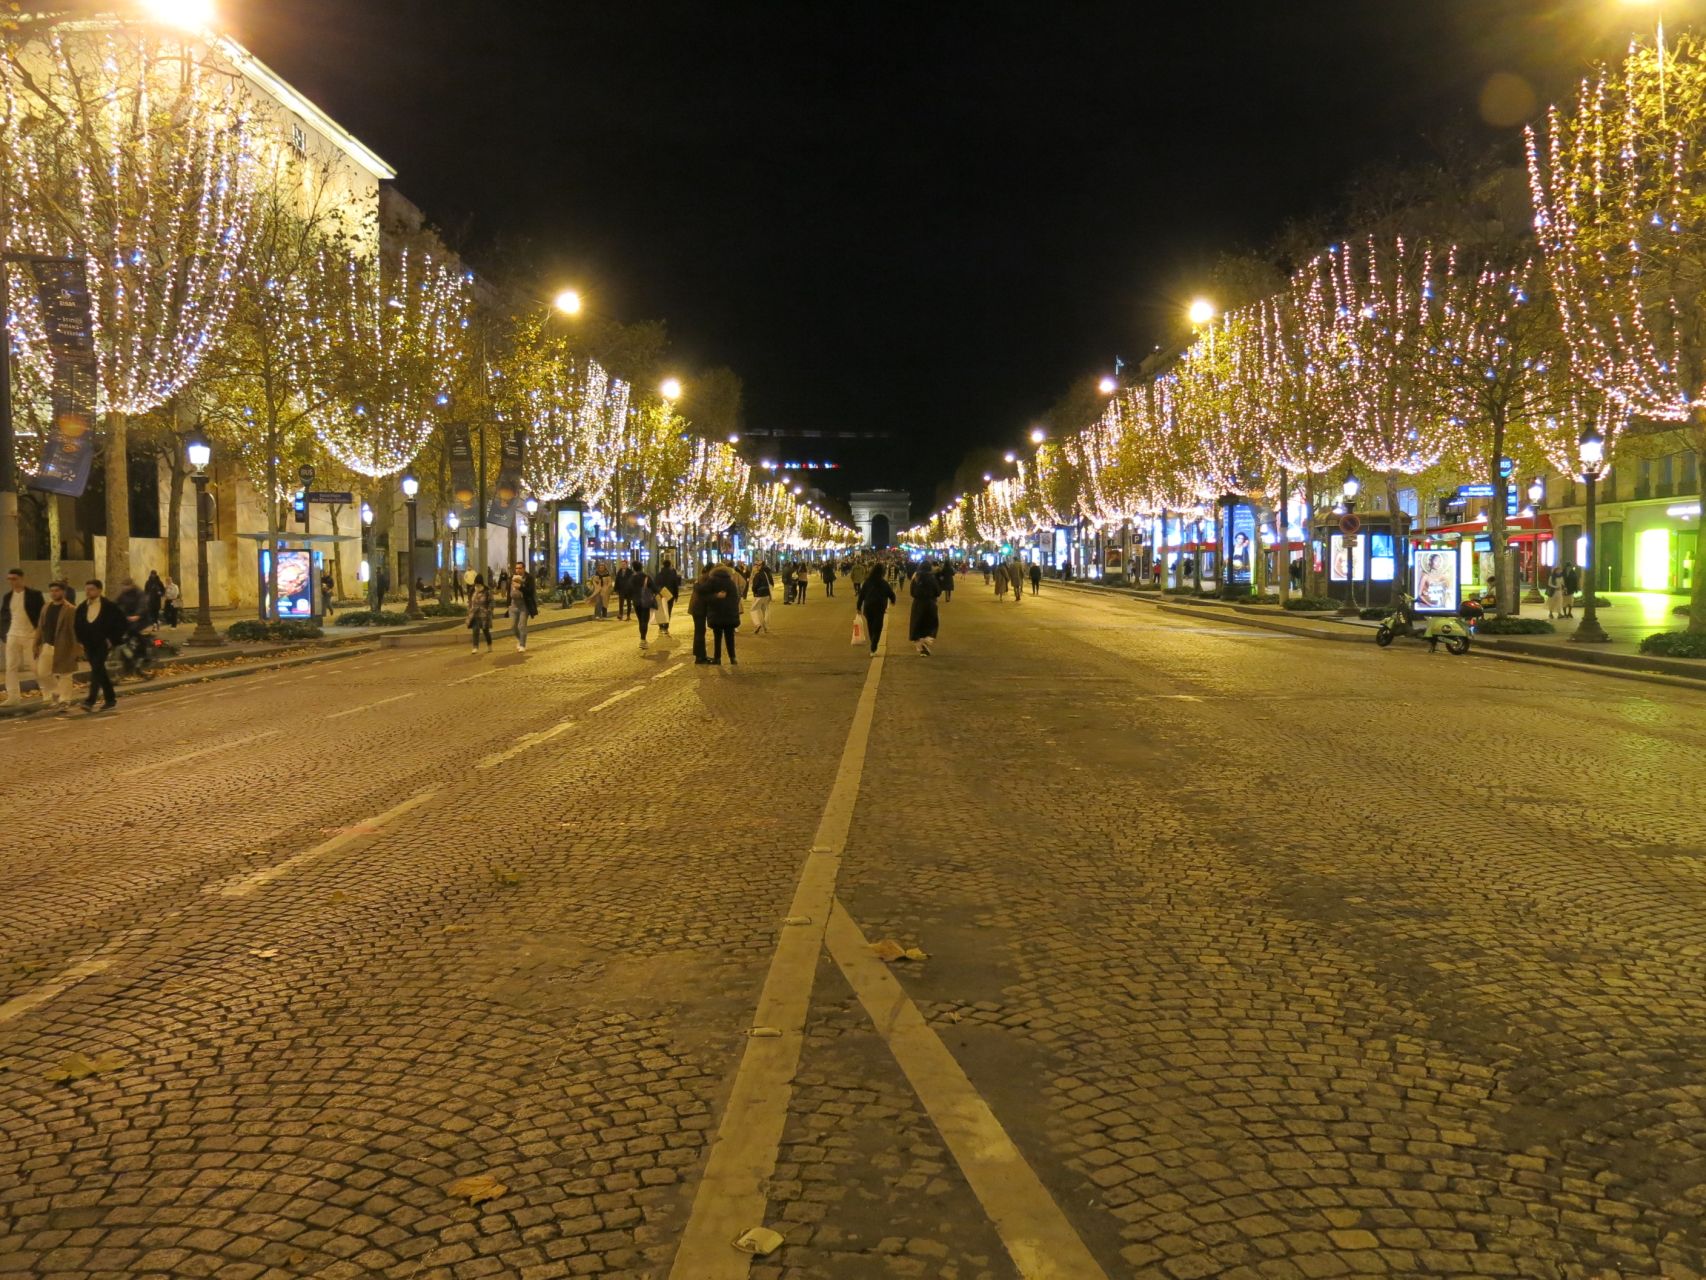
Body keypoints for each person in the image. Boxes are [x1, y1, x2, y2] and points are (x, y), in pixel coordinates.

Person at [74, 579, 127, 714]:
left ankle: (90, 701)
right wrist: (79, 641)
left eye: (91, 589)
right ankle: (110, 699)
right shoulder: (82, 607)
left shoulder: (109, 606)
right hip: (88, 643)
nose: (88, 592)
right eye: (86, 589)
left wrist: (112, 639)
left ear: (99, 590)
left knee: (97, 669)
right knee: (99, 670)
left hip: (103, 643)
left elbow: (121, 623)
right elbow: (77, 625)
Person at [33, 580, 78, 713]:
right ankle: (57, 692)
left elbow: (74, 630)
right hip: (47, 645)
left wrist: (75, 648)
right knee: (42, 672)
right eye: (52, 591)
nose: (54, 593)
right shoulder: (46, 607)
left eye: (57, 591)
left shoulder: (70, 609)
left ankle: (65, 701)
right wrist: (36, 644)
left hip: (64, 645)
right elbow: (40, 627)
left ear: (63, 592)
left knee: (65, 674)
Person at [2, 568, 45, 707]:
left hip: (30, 635)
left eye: (15, 579)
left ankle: (47, 693)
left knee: (35, 666)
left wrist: (40, 636)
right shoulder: (8, 596)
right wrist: (4, 634)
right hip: (13, 634)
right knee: (11, 666)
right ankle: (13, 696)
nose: (12, 582)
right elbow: (4, 616)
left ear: (22, 578)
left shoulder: (35, 595)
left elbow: (42, 616)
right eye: (10, 579)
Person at [856, 565, 896, 656]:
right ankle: (873, 647)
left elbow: (861, 595)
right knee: (878, 628)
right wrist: (893, 601)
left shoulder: (867, 582)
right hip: (879, 608)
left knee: (870, 626)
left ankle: (873, 643)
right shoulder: (884, 583)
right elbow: (891, 594)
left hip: (868, 607)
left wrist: (858, 607)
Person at [707, 565, 741, 664]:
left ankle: (717, 658)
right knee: (730, 637)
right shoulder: (731, 583)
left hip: (716, 614)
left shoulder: (712, 583)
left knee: (717, 638)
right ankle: (733, 657)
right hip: (729, 614)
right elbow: (736, 598)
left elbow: (708, 598)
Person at [909, 560, 942, 656]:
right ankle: (927, 640)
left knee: (918, 623)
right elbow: (938, 591)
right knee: (931, 623)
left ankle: (921, 647)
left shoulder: (916, 577)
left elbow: (912, 592)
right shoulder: (931, 578)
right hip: (930, 603)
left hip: (918, 603)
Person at [688, 566, 714, 664]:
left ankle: (700, 655)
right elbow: (704, 592)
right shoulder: (707, 578)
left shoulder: (702, 577)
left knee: (699, 632)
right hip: (699, 609)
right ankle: (700, 657)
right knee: (700, 632)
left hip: (697, 608)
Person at [508, 561, 536, 650]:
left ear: (524, 568)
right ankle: (520, 640)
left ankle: (522, 645)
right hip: (514, 605)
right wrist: (508, 604)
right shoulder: (512, 578)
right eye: (516, 568)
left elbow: (531, 591)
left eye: (520, 568)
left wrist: (520, 587)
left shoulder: (529, 578)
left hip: (524, 605)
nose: (518, 570)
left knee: (522, 626)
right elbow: (510, 592)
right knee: (513, 627)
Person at [632, 561, 657, 651]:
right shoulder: (646, 577)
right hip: (646, 602)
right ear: (642, 567)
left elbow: (628, 589)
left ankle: (642, 639)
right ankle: (643, 640)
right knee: (644, 621)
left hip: (636, 602)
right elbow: (654, 588)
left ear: (633, 568)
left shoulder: (632, 578)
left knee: (640, 621)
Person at [655, 559, 682, 635]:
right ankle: (666, 627)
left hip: (661, 595)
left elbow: (655, 585)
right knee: (668, 611)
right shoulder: (672, 575)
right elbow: (675, 586)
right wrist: (676, 596)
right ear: (670, 565)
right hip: (670, 595)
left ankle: (660, 626)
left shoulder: (659, 574)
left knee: (661, 610)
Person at [466, 575, 493, 652]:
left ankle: (489, 644)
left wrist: (489, 610)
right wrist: (469, 608)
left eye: (478, 584)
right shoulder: (472, 590)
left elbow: (491, 602)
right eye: (476, 584)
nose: (477, 586)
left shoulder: (487, 591)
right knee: (475, 630)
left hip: (484, 614)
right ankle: (475, 647)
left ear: (481, 583)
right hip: (474, 614)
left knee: (485, 631)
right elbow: (470, 600)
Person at [749, 560, 774, 634]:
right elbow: (772, 583)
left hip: (760, 594)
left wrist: (754, 591)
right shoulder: (767, 573)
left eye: (757, 565)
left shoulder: (758, 574)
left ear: (761, 566)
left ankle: (757, 624)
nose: (756, 566)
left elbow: (754, 586)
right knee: (765, 610)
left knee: (753, 609)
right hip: (767, 594)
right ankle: (766, 627)